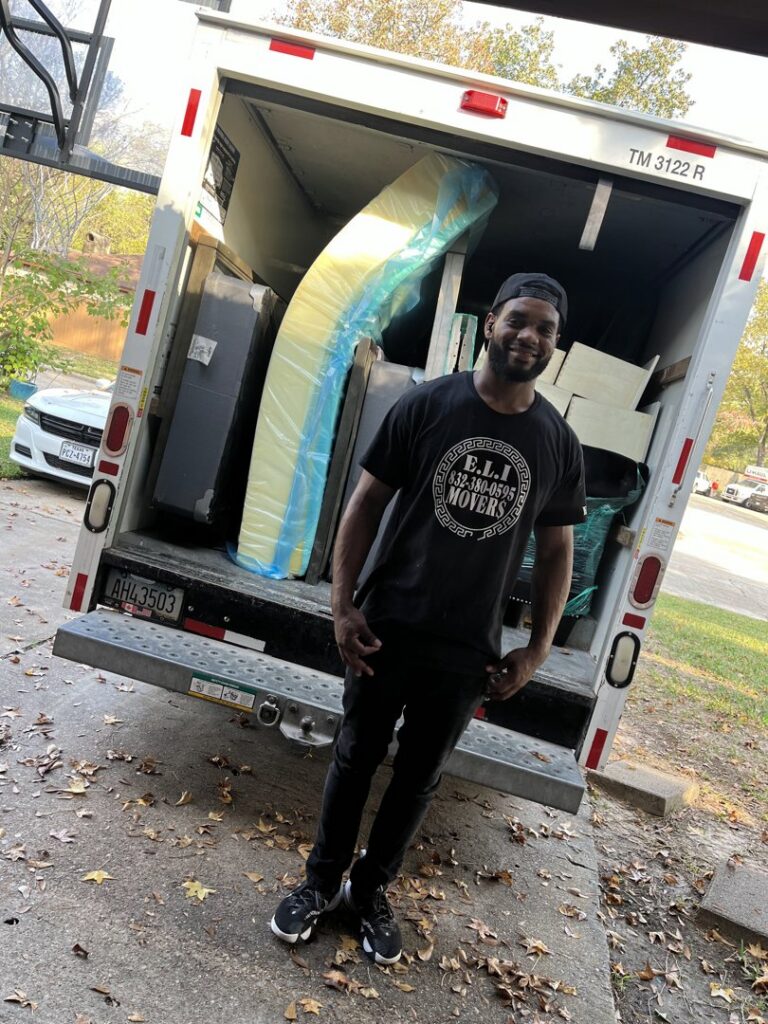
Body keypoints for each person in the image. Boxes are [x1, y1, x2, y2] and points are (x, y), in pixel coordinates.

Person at [270, 272, 586, 965]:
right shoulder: (425, 405)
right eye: (519, 321)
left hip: (469, 649)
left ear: (556, 346)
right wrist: (342, 604)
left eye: (546, 329)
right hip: (389, 625)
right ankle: (319, 885)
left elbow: (557, 549)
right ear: (489, 325)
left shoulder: (558, 442)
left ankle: (367, 893)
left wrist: (537, 648)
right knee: (354, 758)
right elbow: (365, 504)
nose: (530, 337)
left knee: (418, 780)